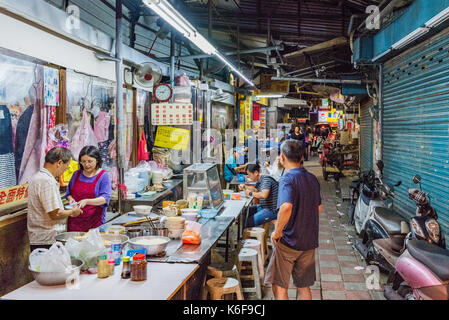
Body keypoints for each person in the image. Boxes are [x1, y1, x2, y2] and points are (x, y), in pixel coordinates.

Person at [265, 140, 322, 300]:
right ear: (302, 156)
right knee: (303, 286)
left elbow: (286, 207)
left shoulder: (287, 179)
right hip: (309, 241)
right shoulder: (312, 178)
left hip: (289, 241)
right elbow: (318, 208)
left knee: (279, 285)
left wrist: (277, 232)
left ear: (282, 157)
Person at [27, 147, 82, 252]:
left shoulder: (39, 177)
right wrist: (73, 211)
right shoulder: (46, 181)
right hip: (46, 241)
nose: (65, 171)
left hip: (42, 239)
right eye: (66, 167)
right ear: (59, 163)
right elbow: (55, 214)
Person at [65, 146, 112, 232]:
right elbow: (68, 194)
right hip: (74, 222)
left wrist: (87, 201)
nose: (86, 164)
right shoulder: (76, 174)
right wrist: (71, 200)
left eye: (90, 161)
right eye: (83, 161)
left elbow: (105, 198)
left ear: (97, 160)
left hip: (94, 223)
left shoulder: (103, 176)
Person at [239, 163, 279, 227]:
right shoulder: (260, 180)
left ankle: (251, 233)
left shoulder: (266, 180)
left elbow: (264, 195)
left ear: (256, 173)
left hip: (271, 210)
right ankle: (246, 233)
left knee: (248, 222)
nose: (249, 177)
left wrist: (250, 193)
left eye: (249, 175)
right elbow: (255, 190)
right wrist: (245, 187)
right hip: (263, 206)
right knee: (245, 211)